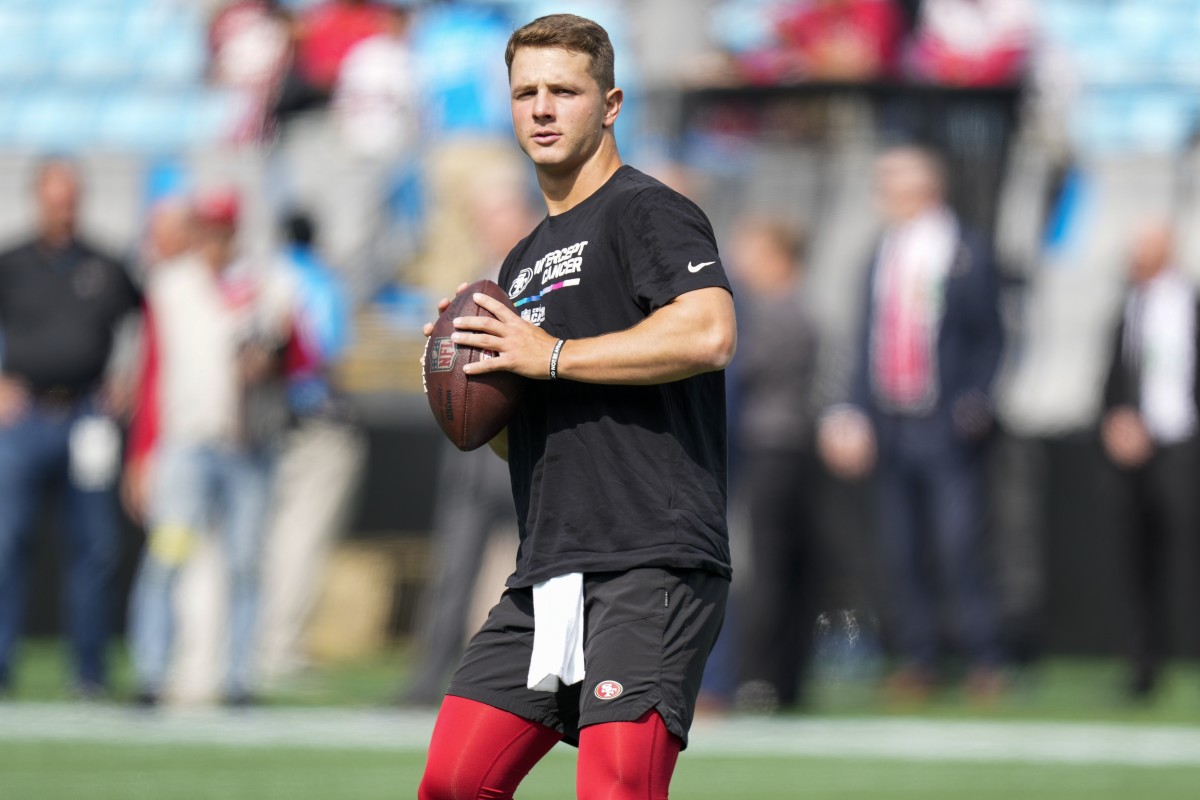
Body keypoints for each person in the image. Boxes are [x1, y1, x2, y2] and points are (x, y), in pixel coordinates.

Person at [417, 14, 737, 800]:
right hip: (551, 568)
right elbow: (519, 431)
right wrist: (475, 378)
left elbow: (709, 330)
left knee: (616, 791)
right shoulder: (522, 260)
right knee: (453, 783)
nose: (543, 108)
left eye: (564, 90)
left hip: (648, 559)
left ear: (612, 103)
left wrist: (547, 355)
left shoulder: (647, 210)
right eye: (526, 92)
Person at [818, 145, 1004, 702]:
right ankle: (919, 657)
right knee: (901, 548)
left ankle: (983, 655)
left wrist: (975, 399)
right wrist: (850, 411)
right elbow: (866, 338)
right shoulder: (882, 252)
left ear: (922, 188)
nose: (880, 194)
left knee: (958, 543)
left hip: (942, 421)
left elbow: (991, 335)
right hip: (890, 419)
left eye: (889, 182)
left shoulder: (964, 248)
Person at [125, 189, 294, 707]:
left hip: (247, 444)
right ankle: (151, 672)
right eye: (207, 229)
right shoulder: (169, 285)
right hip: (188, 442)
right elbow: (152, 371)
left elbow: (297, 357)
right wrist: (142, 451)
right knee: (168, 557)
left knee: (244, 563)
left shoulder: (265, 284)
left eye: (222, 230)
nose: (214, 240)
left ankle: (238, 677)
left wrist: (273, 357)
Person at [0, 158, 141, 700]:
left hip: (86, 417)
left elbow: (142, 320)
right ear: (37, 199)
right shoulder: (12, 262)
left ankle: (88, 669)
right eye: (54, 199)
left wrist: (126, 377)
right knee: (8, 541)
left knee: (94, 546)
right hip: (25, 416)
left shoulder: (105, 265)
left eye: (71, 199)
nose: (63, 209)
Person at [257, 210, 366, 687]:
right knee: (301, 534)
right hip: (312, 418)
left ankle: (252, 638)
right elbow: (328, 350)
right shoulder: (317, 280)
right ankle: (280, 644)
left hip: (260, 420)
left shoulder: (259, 274)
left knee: (264, 533)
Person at [1100, 219, 1200, 700]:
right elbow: (1111, 378)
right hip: (1138, 452)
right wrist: (1118, 420)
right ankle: (1143, 666)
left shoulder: (1190, 304)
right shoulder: (1130, 307)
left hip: (1186, 447)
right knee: (1139, 560)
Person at [726, 215, 822, 712]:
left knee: (766, 568)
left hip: (771, 450)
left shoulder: (780, 313)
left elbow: (736, 364)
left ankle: (760, 677)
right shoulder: (783, 310)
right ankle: (777, 677)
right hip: (780, 449)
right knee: (777, 566)